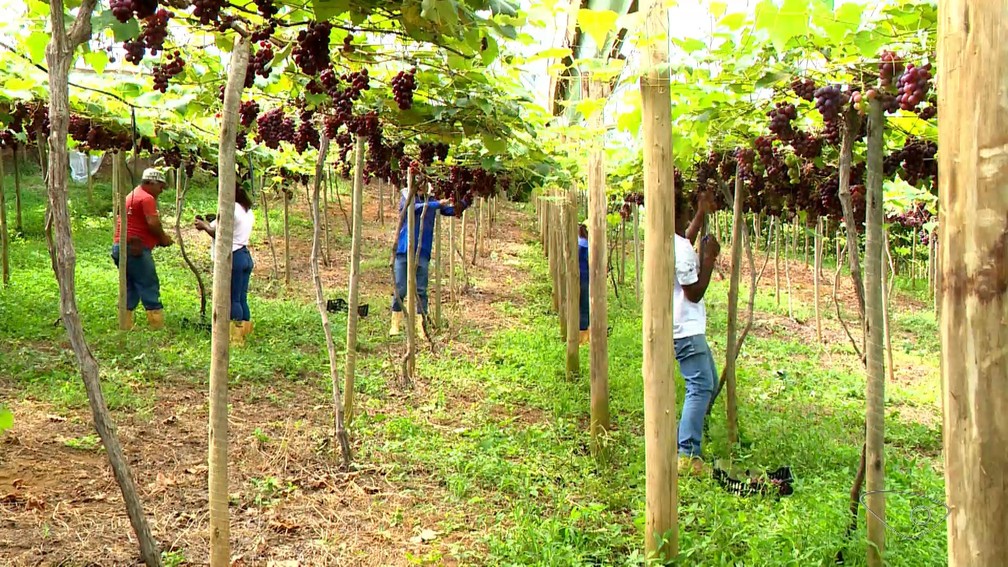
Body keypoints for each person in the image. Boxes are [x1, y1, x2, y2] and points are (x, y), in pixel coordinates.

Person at [673, 189, 720, 476]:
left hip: (683, 328)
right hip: (687, 331)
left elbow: (685, 239)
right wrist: (709, 258)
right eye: (688, 212)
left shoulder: (673, 241)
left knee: (709, 382)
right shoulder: (680, 250)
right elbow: (694, 293)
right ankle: (688, 452)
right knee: (701, 386)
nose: (690, 217)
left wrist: (702, 212)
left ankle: (690, 434)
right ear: (677, 215)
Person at [389, 185, 467, 339]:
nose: (423, 186)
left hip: (423, 250)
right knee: (401, 288)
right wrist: (437, 204)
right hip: (404, 249)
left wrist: (466, 200)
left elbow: (451, 211)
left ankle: (421, 326)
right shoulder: (407, 196)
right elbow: (411, 209)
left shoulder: (431, 200)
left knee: (421, 291)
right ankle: (395, 325)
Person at [194, 182, 256, 346]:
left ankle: (235, 339)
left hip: (232, 257)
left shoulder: (230, 208)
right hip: (244, 255)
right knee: (241, 297)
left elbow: (219, 233)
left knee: (232, 300)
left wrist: (204, 226)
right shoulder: (246, 209)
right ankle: (244, 332)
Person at [111, 167, 173, 330]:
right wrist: (163, 238)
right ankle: (156, 326)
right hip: (135, 249)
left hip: (120, 247)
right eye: (160, 186)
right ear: (151, 183)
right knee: (148, 284)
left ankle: (124, 325)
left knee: (130, 285)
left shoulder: (131, 195)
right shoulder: (146, 198)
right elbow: (153, 223)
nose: (161, 191)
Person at [578, 222, 589, 345]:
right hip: (586, 277)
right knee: (585, 306)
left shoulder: (576, 242)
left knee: (578, 305)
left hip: (576, 277)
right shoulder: (588, 245)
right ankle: (583, 336)